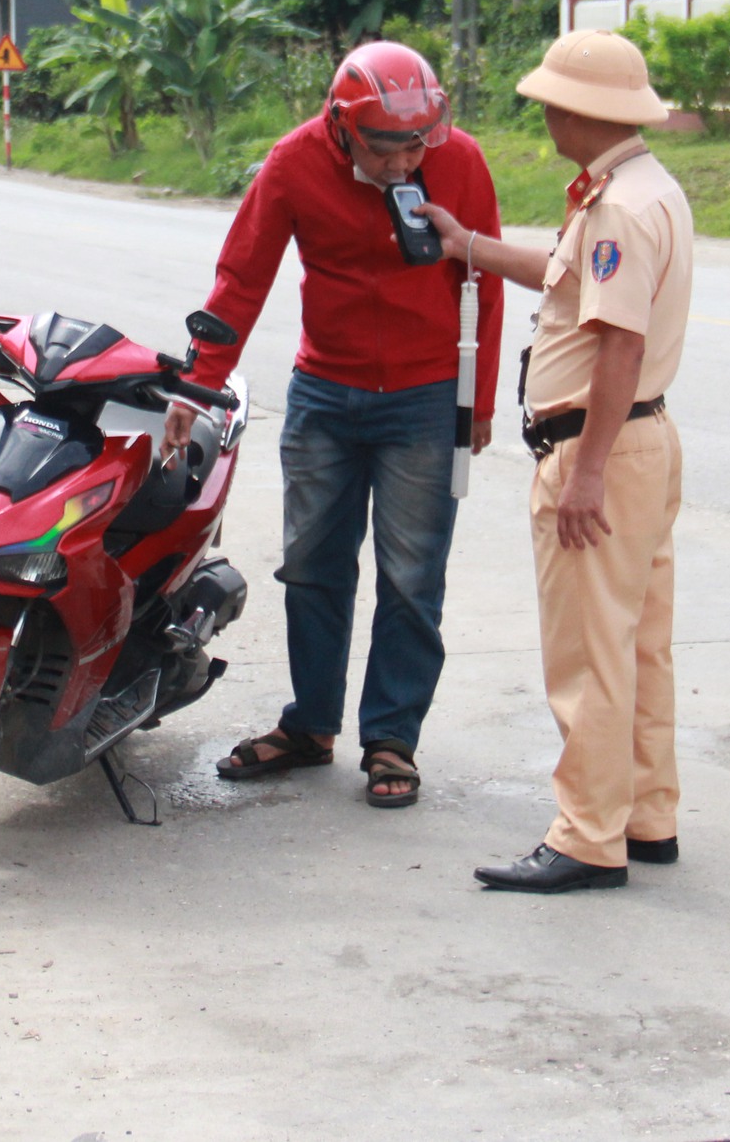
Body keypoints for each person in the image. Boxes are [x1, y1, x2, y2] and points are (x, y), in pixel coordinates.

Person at [181, 43, 504, 809]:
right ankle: (312, 724)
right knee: (314, 567)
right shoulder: (294, 163)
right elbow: (241, 277)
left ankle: (392, 736)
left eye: (419, 142)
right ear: (341, 126)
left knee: (412, 576)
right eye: (389, 147)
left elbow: (483, 285)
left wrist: (477, 401)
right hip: (326, 390)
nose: (407, 162)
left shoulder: (457, 161)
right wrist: (195, 387)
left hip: (424, 398)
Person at [417, 32, 693, 894]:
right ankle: (643, 815)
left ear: (585, 111)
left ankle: (586, 835)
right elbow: (567, 280)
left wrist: (587, 472)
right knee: (638, 645)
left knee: (590, 654)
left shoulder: (618, 207)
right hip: (640, 442)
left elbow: (617, 343)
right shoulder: (639, 190)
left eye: (550, 101)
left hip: (597, 444)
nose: (542, 114)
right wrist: (469, 245)